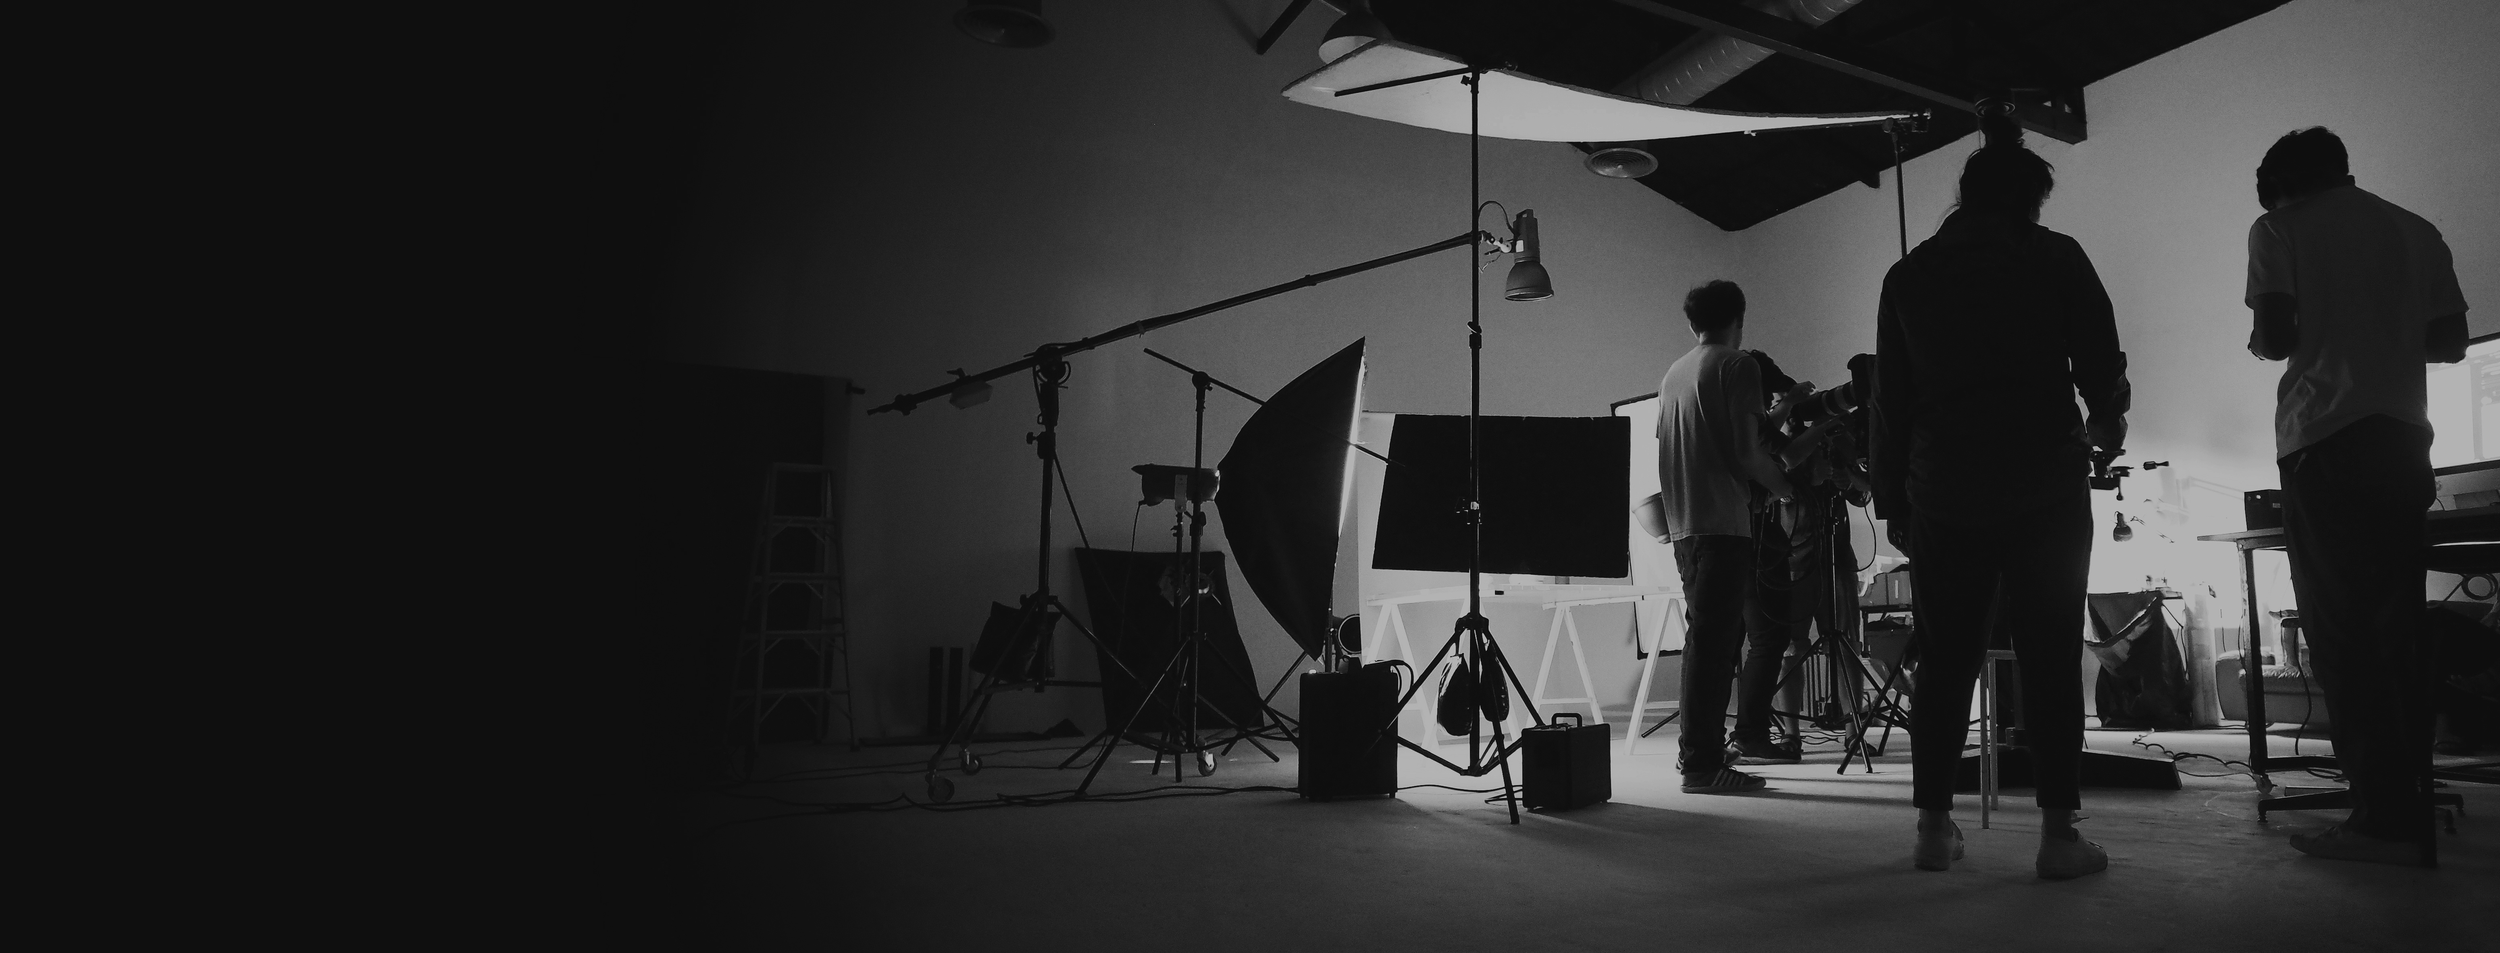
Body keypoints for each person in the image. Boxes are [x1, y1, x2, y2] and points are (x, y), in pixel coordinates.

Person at [1871, 105, 2128, 879]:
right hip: (2044, 484)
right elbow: (2099, 356)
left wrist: (1893, 503)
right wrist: (2107, 420)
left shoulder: (1909, 275)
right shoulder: (2055, 257)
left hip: (1944, 490)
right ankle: (2058, 836)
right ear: (2027, 200)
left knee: (1945, 659)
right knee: (2049, 654)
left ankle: (1932, 827)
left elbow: (1891, 400)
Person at [2243, 126, 2468, 866]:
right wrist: (2383, 334)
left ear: (2280, 187)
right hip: (2403, 443)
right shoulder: (2415, 229)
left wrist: (2271, 338)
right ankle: (2405, 809)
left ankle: (2379, 820)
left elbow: (2275, 339)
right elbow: (2450, 342)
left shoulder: (2278, 229)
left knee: (2342, 635)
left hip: (2326, 444)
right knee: (2396, 629)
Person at [1657, 279, 1794, 793]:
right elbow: (1746, 452)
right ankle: (1701, 765)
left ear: (1691, 323)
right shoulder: (1738, 366)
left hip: (1685, 526)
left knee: (1705, 643)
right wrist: (1786, 489)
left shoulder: (1674, 372)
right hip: (1722, 523)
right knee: (1715, 649)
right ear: (1740, 318)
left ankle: (1699, 755)